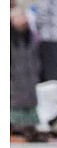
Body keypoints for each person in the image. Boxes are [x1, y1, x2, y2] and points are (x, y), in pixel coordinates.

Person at [10, 9, 43, 140]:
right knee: (14, 102)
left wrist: (36, 72)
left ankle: (28, 129)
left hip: (29, 76)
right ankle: (15, 128)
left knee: (29, 101)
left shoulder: (31, 36)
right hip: (14, 78)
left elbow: (36, 56)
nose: (24, 23)